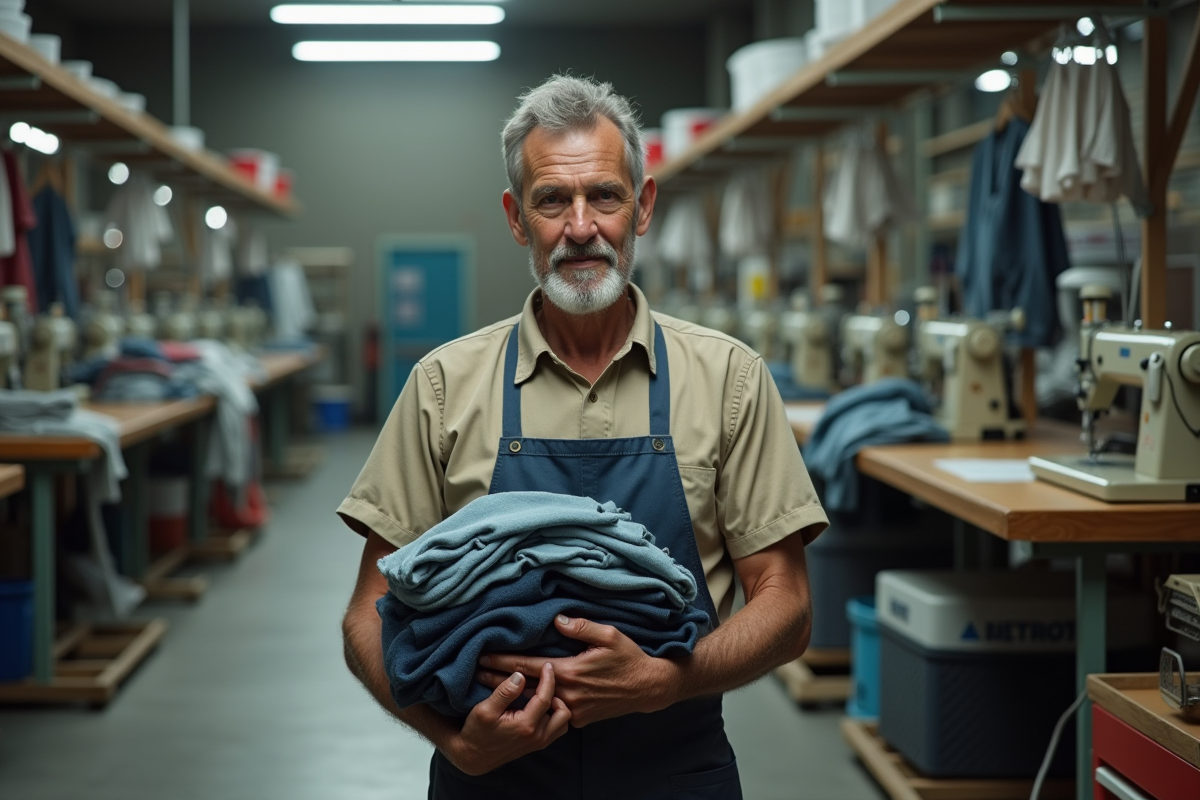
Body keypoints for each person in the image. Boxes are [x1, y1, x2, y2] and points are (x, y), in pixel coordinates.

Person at [338, 74, 828, 799]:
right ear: (515, 217)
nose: (580, 227)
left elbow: (785, 603)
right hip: (491, 780)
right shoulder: (444, 386)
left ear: (644, 206)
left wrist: (669, 679)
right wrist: (454, 742)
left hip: (675, 773)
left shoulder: (729, 379)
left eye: (604, 194)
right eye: (551, 200)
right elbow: (365, 612)